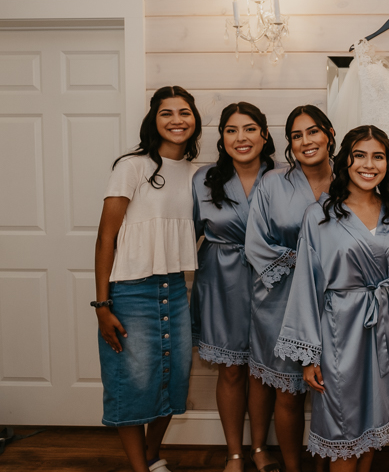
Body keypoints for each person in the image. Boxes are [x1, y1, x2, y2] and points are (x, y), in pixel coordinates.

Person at [275, 125, 389, 472]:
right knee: (342, 431)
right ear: (344, 160)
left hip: (382, 330)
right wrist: (309, 354)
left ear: (387, 163)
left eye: (377, 156)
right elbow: (305, 283)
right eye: (359, 155)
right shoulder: (319, 216)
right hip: (339, 333)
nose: (368, 164)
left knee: (373, 426)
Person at [94, 86, 202, 472]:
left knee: (172, 381)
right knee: (132, 383)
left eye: (185, 112)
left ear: (195, 120)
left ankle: (153, 456)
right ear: (153, 120)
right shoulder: (133, 166)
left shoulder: (196, 175)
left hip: (174, 288)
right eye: (167, 113)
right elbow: (106, 237)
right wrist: (102, 305)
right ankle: (140, 468)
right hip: (130, 291)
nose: (177, 120)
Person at [245, 105, 336, 472]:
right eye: (296, 136)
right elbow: (255, 244)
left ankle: (330, 461)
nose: (305, 141)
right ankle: (294, 466)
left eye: (312, 132)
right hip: (279, 301)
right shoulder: (272, 184)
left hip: (334, 300)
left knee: (332, 387)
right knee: (287, 392)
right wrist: (303, 261)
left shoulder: (350, 179)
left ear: (329, 133)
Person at [191, 102, 277, 472]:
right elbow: (188, 233)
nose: (241, 138)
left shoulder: (285, 177)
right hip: (220, 280)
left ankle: (259, 447)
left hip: (272, 282)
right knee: (230, 370)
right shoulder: (203, 179)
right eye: (231, 130)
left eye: (249, 128)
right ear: (222, 138)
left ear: (265, 134)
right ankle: (234, 453)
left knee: (263, 369)